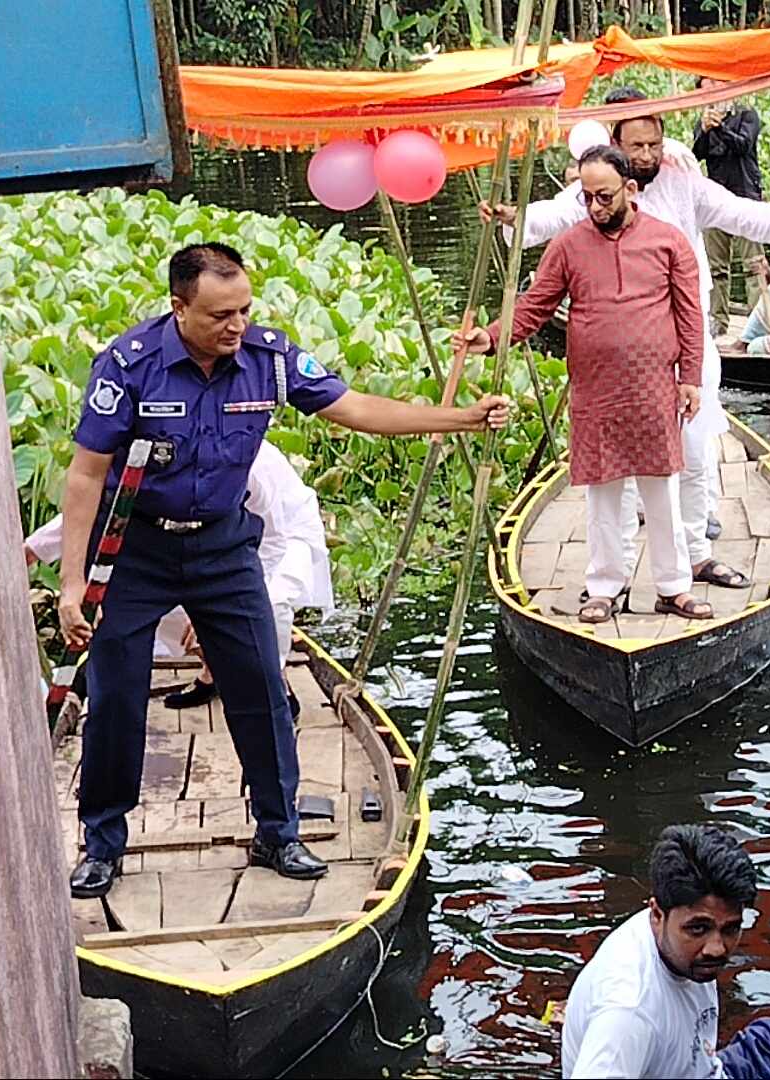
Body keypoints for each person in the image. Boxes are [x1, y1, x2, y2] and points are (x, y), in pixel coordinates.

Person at [60, 241, 511, 899]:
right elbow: (85, 474)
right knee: (116, 696)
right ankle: (103, 843)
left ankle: (277, 830)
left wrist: (460, 419)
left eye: (243, 309)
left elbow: (355, 408)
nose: (235, 326)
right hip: (138, 552)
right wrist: (73, 584)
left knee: (261, 692)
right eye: (219, 315)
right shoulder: (128, 367)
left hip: (223, 547)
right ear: (178, 307)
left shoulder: (268, 359)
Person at [482, 87, 770, 572]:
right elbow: (557, 215)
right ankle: (615, 575)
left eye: (653, 145)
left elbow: (741, 212)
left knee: (696, 449)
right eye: (636, 147)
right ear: (615, 145)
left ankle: (696, 551)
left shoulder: (680, 179)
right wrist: (518, 220)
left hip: (688, 340)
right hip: (623, 358)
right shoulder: (600, 190)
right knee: (621, 465)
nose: (647, 155)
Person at [460, 146, 710, 623]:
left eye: (604, 196)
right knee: (603, 493)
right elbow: (534, 306)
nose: (596, 207)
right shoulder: (568, 245)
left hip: (655, 386)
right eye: (587, 198)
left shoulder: (668, 241)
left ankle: (673, 586)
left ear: (630, 190)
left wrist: (692, 379)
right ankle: (604, 587)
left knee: (661, 490)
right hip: (596, 391)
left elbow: (690, 316)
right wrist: (489, 337)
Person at [26, 439, 332, 715]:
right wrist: (33, 550)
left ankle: (273, 680)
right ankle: (211, 669)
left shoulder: (247, 454)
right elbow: (97, 504)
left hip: (278, 539)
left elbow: (272, 540)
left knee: (269, 602)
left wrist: (223, 601)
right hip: (195, 543)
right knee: (156, 590)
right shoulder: (141, 446)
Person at [563, 825, 770, 1079]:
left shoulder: (671, 928)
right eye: (698, 929)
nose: (717, 948)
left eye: (731, 929)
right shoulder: (628, 1010)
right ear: (657, 915)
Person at [692, 76, 765, 330]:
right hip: (714, 200)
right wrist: (704, 130)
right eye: (704, 87)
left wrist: (720, 127)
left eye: (714, 84)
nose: (710, 91)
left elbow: (743, 145)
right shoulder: (702, 121)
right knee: (716, 268)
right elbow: (696, 154)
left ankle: (759, 321)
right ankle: (718, 321)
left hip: (745, 197)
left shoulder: (747, 114)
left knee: (754, 266)